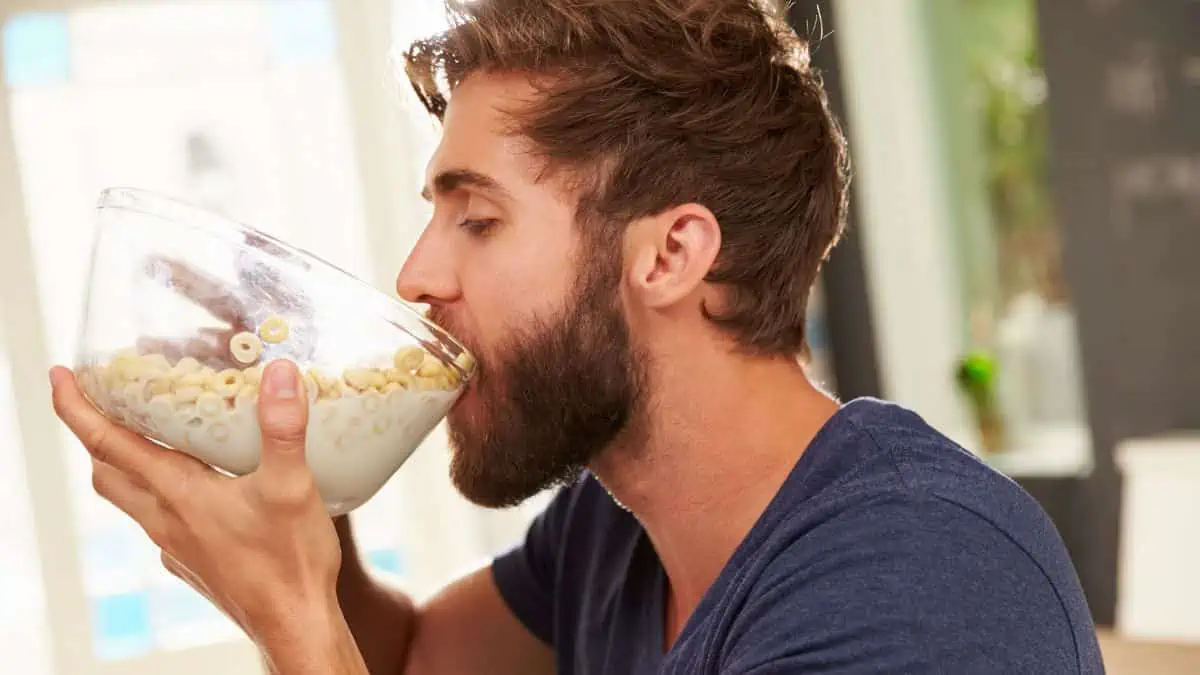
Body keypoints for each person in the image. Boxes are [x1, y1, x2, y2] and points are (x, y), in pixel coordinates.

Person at [48, 0, 1105, 672]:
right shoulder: (615, 537)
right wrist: (305, 539)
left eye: (478, 217)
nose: (419, 274)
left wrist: (289, 617)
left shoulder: (921, 587)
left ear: (669, 255)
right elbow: (410, 660)